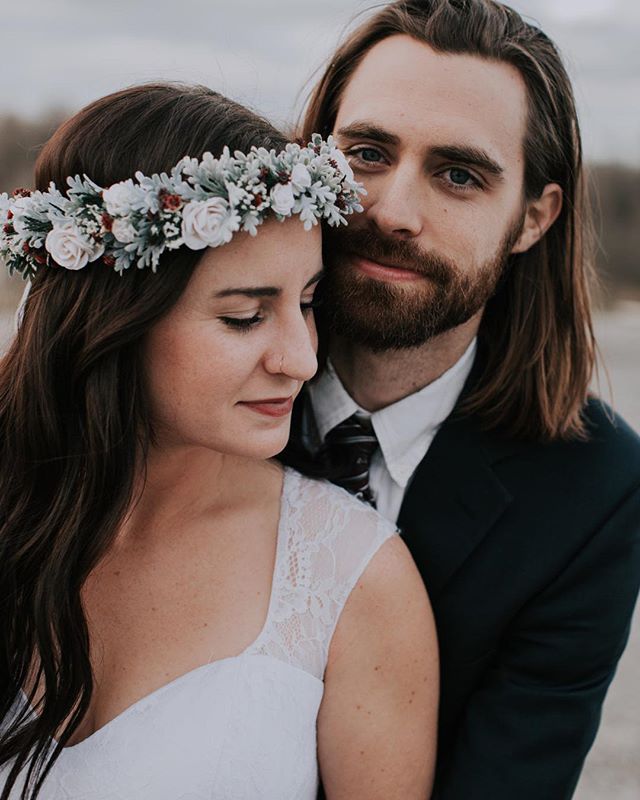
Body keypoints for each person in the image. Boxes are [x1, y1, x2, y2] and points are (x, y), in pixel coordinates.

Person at [0, 84, 438, 800]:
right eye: (244, 316)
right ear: (111, 323)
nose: (299, 359)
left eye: (306, 304)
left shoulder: (353, 578)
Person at [285, 1, 640, 798]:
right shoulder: (177, 392)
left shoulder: (593, 488)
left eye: (458, 175)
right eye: (367, 153)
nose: (391, 212)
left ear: (533, 218)